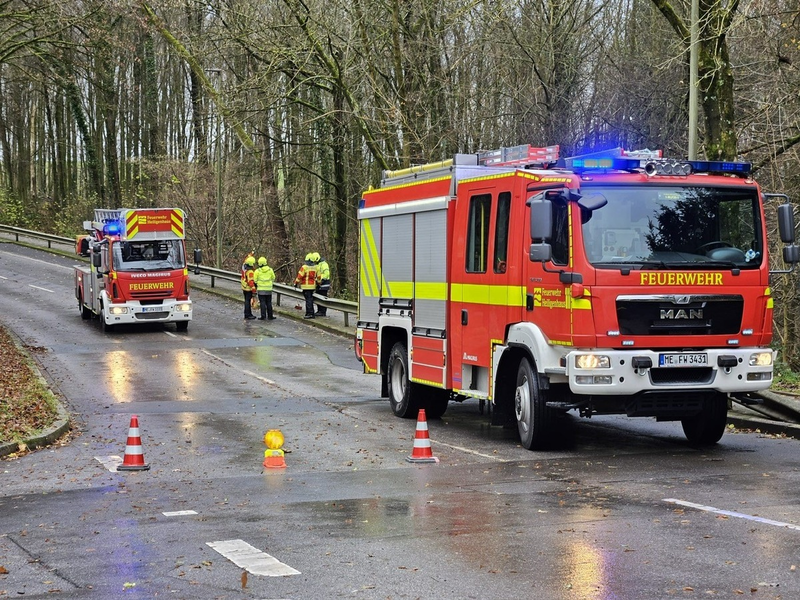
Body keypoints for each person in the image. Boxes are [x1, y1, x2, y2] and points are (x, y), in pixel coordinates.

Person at [293, 253, 318, 319]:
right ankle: (309, 313)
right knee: (310, 299)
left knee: (308, 300)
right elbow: (319, 277)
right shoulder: (316, 267)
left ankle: (310, 313)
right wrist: (319, 283)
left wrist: (296, 283)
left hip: (306, 286)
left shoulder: (304, 267)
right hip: (312, 286)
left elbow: (299, 276)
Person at [240, 253, 257, 320]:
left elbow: (246, 259)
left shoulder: (244, 267)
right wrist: (253, 289)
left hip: (244, 286)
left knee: (246, 301)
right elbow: (250, 281)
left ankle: (247, 313)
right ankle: (248, 314)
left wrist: (251, 254)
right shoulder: (250, 272)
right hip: (248, 288)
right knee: (248, 301)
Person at [314, 252, 331, 316]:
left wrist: (321, 280)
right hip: (319, 283)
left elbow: (326, 274)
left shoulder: (324, 264)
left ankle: (323, 312)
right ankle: (319, 311)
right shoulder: (318, 264)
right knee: (318, 298)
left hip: (324, 283)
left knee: (322, 297)